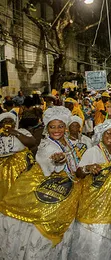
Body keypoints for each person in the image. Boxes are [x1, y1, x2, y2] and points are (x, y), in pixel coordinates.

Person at [0, 106, 82, 259]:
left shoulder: (68, 143)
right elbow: (48, 159)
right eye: (52, 127)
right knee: (41, 230)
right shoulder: (47, 146)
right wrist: (57, 160)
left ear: (65, 127)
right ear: (47, 128)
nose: (56, 130)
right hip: (44, 191)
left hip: (66, 190)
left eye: (60, 126)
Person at [70, 119, 111, 260]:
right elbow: (78, 173)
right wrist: (88, 168)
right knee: (91, 243)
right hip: (93, 208)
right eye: (108, 133)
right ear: (101, 134)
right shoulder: (92, 151)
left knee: (106, 245)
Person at [0, 112, 36, 200]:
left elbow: (32, 142)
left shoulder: (21, 131)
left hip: (20, 165)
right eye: (5, 121)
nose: (8, 123)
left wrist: (16, 133)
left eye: (10, 121)